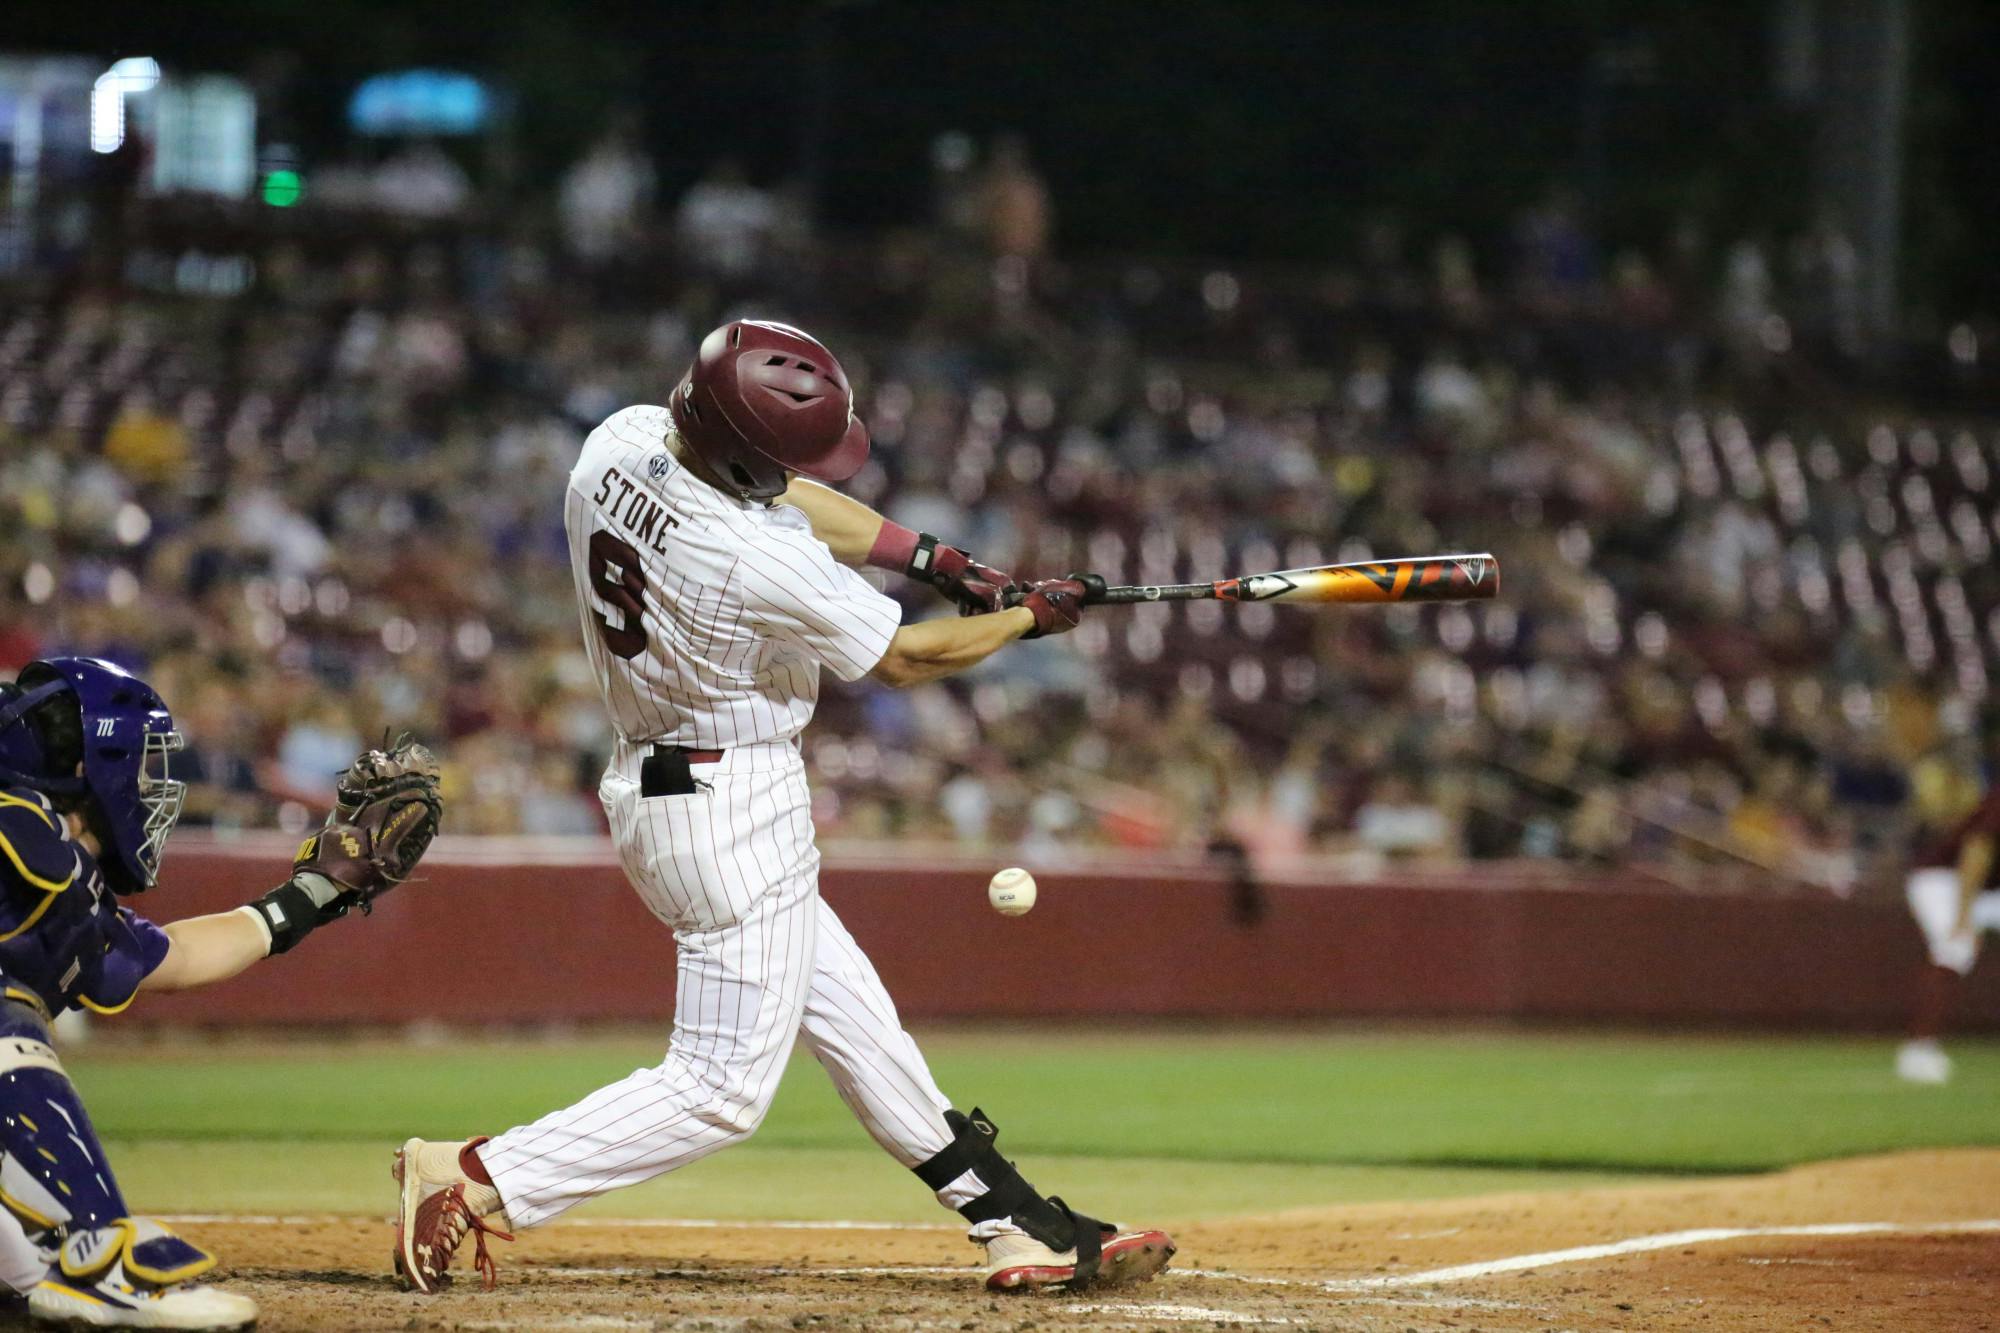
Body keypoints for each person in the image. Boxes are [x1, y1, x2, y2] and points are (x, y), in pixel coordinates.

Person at [392, 319, 1174, 1296]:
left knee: (856, 1022)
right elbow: (903, 657)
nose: (802, 474)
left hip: (669, 778)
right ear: (738, 452)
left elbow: (795, 491)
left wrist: (937, 561)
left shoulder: (622, 438)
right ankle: (474, 1177)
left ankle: (1009, 1219)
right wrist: (1023, 618)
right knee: (721, 1088)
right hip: (728, 804)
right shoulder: (748, 554)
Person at [0, 658, 441, 1328]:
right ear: (92, 764)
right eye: (138, 765)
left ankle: (57, 1256)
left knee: (23, 1266)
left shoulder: (49, 874)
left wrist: (316, 892)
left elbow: (171, 955)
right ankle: (98, 1253)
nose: (147, 786)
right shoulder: (21, 827)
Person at [1897, 763, 2000, 1084]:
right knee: (1956, 946)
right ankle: (1919, 1050)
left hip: (1989, 888)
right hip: (1945, 879)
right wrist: (1963, 914)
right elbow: (1978, 848)